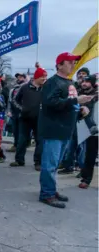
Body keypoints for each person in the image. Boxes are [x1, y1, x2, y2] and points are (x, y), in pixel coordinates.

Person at [38, 52, 93, 208]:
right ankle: (46, 194)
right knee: (49, 164)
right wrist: (76, 100)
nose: (73, 65)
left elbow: (68, 104)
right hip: (53, 129)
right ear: (60, 65)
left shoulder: (69, 82)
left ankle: (51, 189)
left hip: (65, 129)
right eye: (69, 62)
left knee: (55, 164)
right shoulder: (52, 82)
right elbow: (51, 103)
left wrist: (80, 108)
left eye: (74, 62)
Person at [9, 67, 47, 171]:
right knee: (22, 140)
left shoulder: (45, 89)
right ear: (36, 77)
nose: (44, 79)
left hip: (39, 119)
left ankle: (38, 162)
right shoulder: (24, 87)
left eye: (45, 77)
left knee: (40, 140)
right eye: (42, 77)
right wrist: (21, 109)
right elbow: (14, 101)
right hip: (25, 118)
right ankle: (19, 160)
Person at [77, 74, 97, 189]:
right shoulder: (79, 95)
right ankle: (86, 179)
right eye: (83, 81)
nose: (84, 83)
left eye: (87, 81)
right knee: (89, 155)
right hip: (88, 131)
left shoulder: (96, 95)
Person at [6, 73, 27, 152]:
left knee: (21, 131)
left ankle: (21, 146)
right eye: (18, 77)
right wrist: (9, 111)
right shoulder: (13, 89)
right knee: (15, 130)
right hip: (14, 113)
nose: (18, 78)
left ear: (24, 78)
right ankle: (15, 145)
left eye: (21, 77)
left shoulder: (26, 88)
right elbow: (10, 101)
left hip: (23, 112)